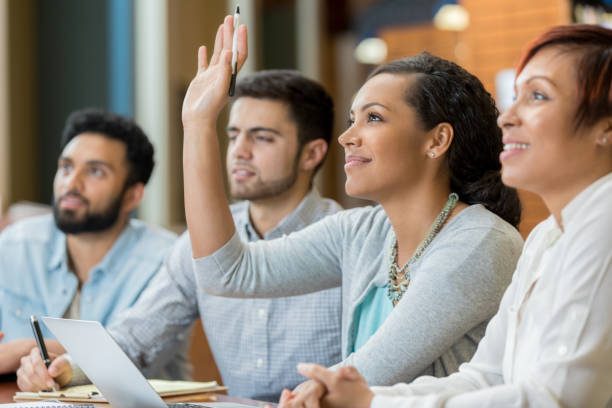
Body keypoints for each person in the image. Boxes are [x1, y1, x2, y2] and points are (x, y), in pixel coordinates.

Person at [183, 14, 523, 401]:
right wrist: (197, 122)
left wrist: (315, 391)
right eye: (351, 120)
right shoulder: (361, 232)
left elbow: (368, 375)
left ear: (437, 140)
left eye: (373, 118)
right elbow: (225, 273)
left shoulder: (482, 241)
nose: (346, 137)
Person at [280, 24, 612, 408]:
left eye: (538, 96)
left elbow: (555, 400)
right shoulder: (546, 237)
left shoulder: (602, 228)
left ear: (606, 128)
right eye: (515, 96)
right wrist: (365, 397)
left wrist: (372, 403)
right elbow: (484, 376)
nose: (508, 117)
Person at [16, 70, 343, 402]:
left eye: (262, 137)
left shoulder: (348, 242)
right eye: (232, 136)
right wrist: (65, 368)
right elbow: (133, 341)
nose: (239, 151)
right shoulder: (199, 243)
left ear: (312, 154)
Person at [0, 109, 179, 378]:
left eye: (95, 171)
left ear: (132, 195)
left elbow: (129, 354)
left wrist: (24, 349)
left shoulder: (167, 259)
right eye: (66, 167)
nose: (71, 183)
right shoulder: (16, 245)